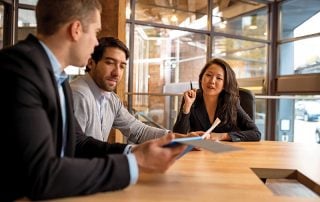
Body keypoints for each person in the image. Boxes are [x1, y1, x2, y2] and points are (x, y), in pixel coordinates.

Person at [0, 0, 187, 201]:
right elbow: (42, 175)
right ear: (76, 29)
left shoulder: (55, 76)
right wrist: (135, 163)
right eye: (95, 32)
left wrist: (133, 151)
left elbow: (79, 143)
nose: (96, 43)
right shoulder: (19, 71)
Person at [70, 37, 169, 143]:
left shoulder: (111, 98)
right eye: (110, 63)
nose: (116, 73)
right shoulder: (78, 95)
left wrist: (175, 137)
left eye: (122, 66)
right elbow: (75, 147)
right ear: (91, 63)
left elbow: (138, 131)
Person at [173, 58, 261, 142]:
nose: (212, 81)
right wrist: (187, 107)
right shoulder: (191, 98)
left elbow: (256, 134)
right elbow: (178, 136)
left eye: (218, 78)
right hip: (198, 153)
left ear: (225, 84)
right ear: (201, 78)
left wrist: (223, 136)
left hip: (226, 153)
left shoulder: (231, 102)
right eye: (208, 75)